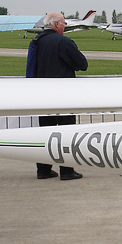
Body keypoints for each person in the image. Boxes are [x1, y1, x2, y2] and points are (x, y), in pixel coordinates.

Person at [27, 12, 88, 180]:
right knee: (66, 133)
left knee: (45, 134)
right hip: (64, 96)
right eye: (63, 23)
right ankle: (67, 170)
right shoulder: (64, 42)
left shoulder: (36, 42)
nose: (65, 26)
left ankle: (43, 170)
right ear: (56, 25)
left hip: (42, 97)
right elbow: (82, 64)